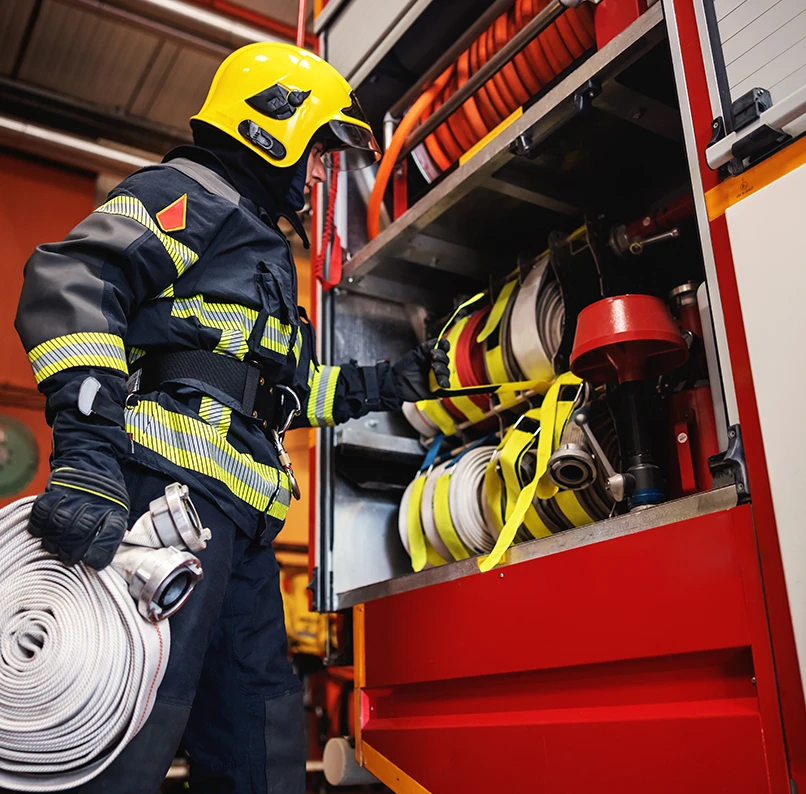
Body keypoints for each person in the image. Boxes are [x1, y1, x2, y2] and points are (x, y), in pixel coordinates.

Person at [14, 42, 450, 793]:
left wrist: (399, 380)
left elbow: (283, 391)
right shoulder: (192, 193)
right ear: (272, 123)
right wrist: (87, 456)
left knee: (260, 740)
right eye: (317, 150)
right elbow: (75, 277)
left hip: (240, 532)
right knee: (121, 731)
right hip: (165, 502)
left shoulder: (259, 246)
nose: (320, 173)